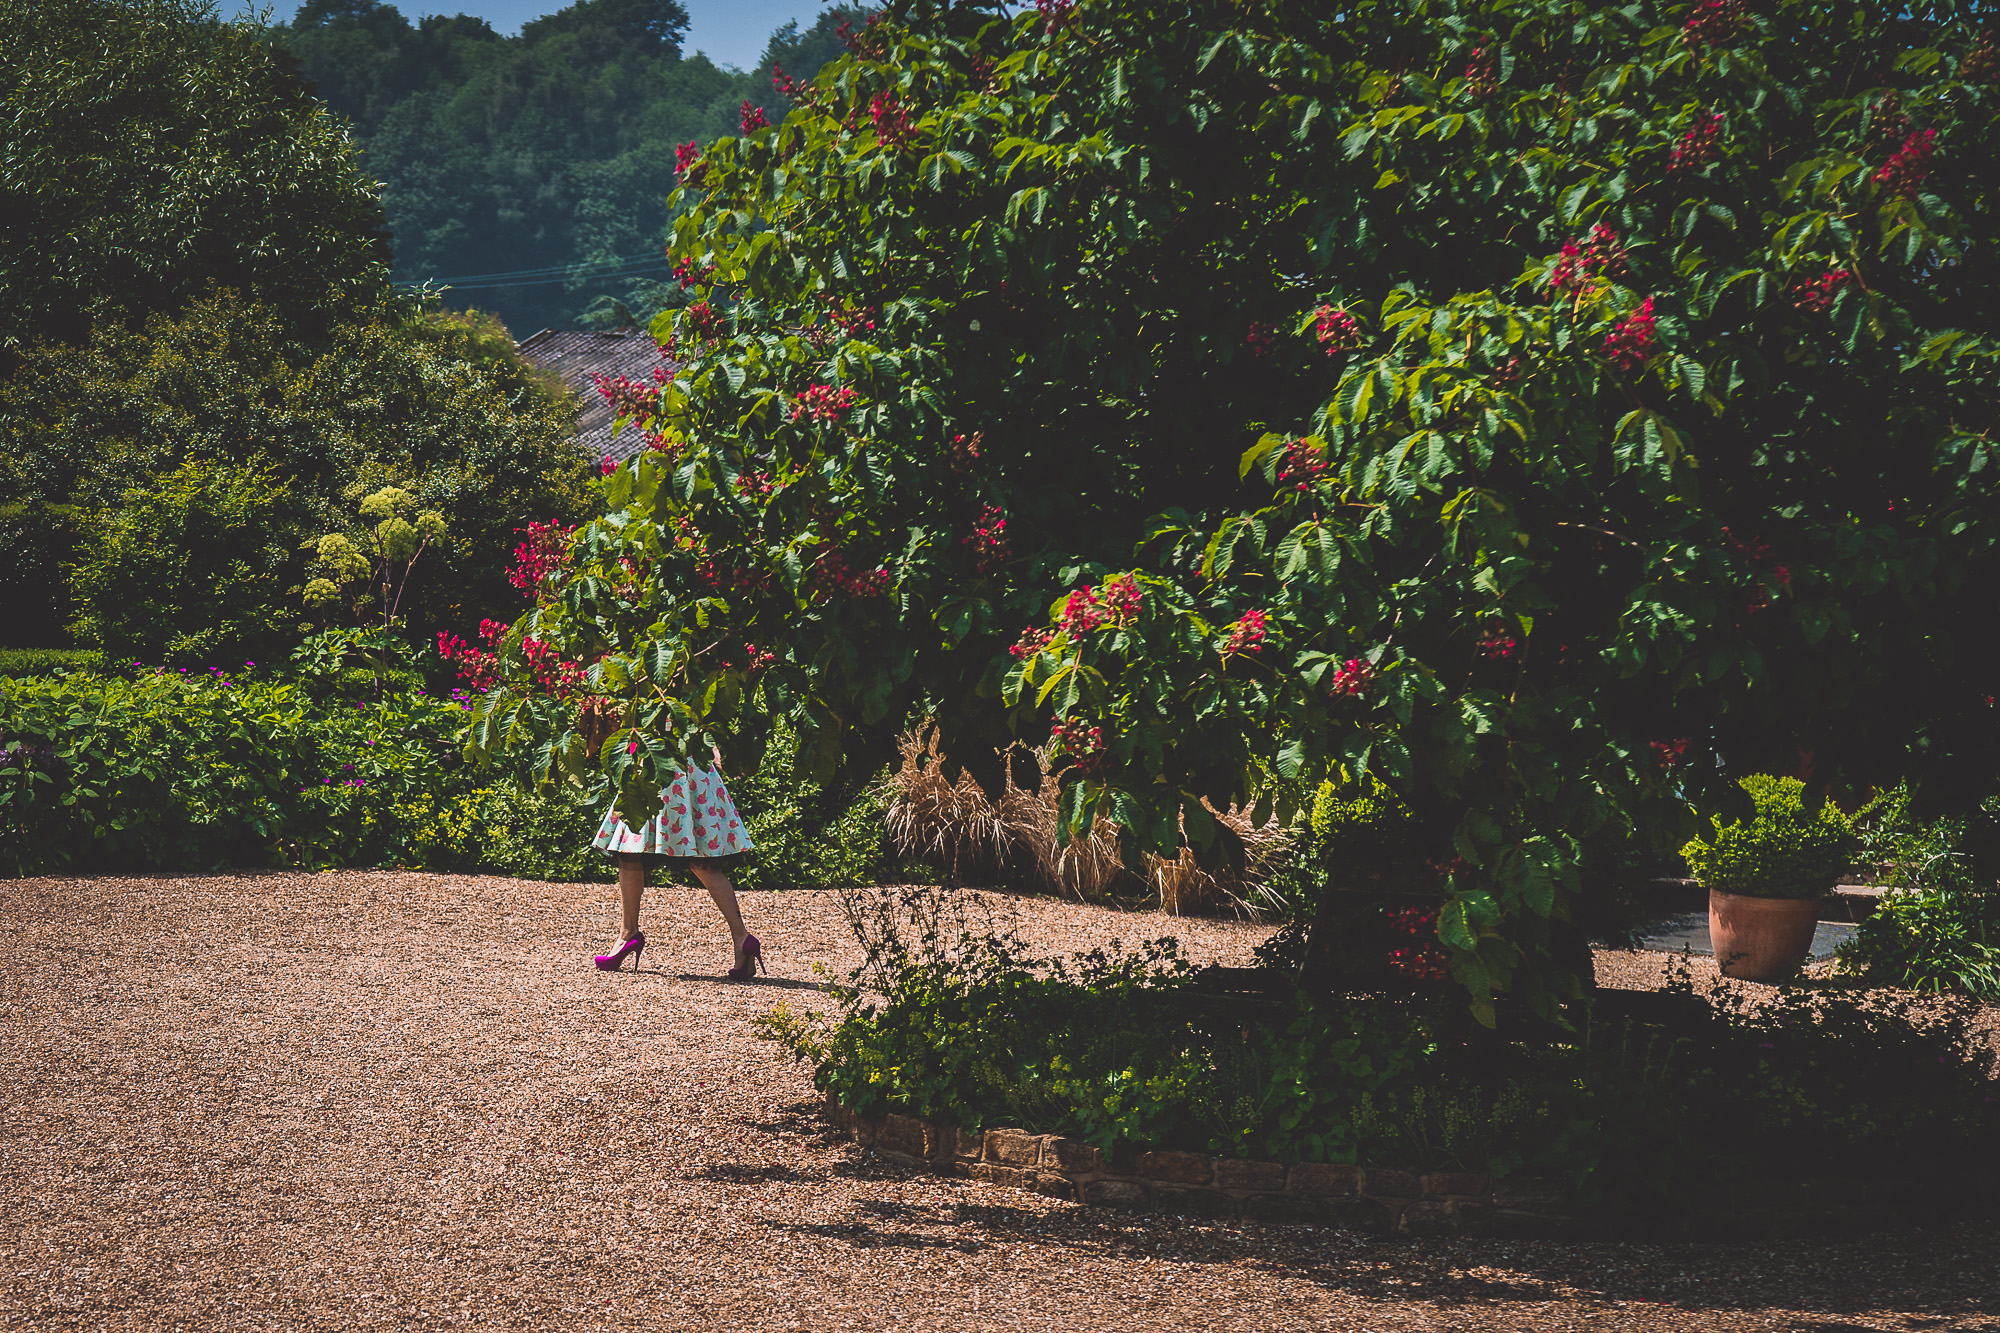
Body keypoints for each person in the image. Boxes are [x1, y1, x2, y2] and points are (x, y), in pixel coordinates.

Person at [589, 750, 763, 979]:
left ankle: (628, 934)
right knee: (697, 859)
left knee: (630, 847)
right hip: (691, 767)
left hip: (656, 764)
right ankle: (742, 939)